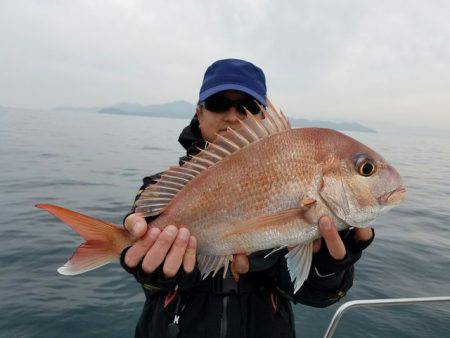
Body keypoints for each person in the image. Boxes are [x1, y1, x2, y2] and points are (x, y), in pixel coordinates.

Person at [120, 59, 374, 338]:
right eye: (218, 103)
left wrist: (329, 267)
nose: (232, 116)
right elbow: (147, 275)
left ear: (263, 116)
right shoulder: (159, 189)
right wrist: (156, 272)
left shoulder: (292, 183)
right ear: (199, 113)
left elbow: (315, 296)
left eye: (248, 107)